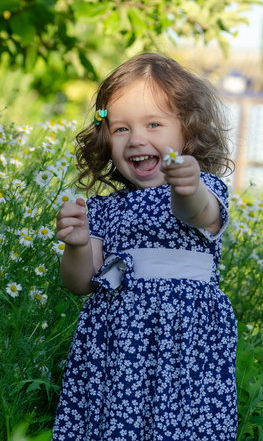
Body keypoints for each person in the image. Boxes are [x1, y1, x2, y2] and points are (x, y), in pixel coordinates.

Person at [53, 52, 237, 440]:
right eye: (120, 129)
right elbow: (81, 282)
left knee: (182, 425)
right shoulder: (103, 209)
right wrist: (77, 244)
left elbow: (197, 212)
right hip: (118, 347)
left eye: (154, 124)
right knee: (116, 423)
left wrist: (188, 185)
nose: (137, 139)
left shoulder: (204, 190)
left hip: (184, 342)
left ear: (188, 130)